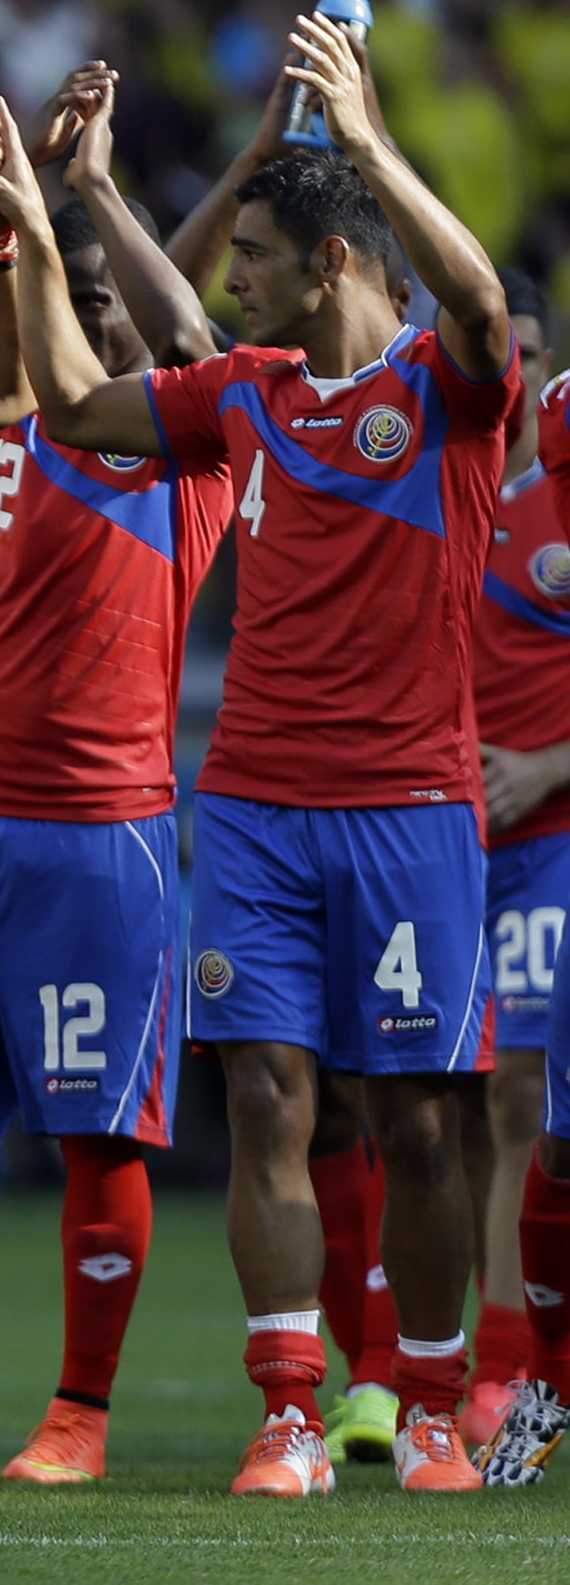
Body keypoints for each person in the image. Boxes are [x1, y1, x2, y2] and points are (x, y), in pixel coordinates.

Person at [0, 9, 515, 1497]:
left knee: (413, 1117)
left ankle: (415, 1399)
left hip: (410, 808)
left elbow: (475, 299)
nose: (235, 280)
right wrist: (51, 215)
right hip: (259, 811)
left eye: (258, 258)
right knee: (271, 1099)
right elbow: (87, 399)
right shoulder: (249, 400)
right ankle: (286, 1403)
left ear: (330, 264)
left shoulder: (442, 396)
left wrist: (371, 148)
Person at [0, 81, 231, 1488]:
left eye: (106, 303)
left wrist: (80, 202)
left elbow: (191, 332)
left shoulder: (193, 451)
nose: (88, 323)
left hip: (102, 835)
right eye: (69, 299)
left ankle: (80, 1416)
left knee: (97, 1124)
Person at [465, 274, 565, 1437]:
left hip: (546, 843)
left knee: (522, 1093)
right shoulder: (423, 485)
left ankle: (510, 1366)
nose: (519, 373)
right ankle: (403, 1366)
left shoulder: (563, 509)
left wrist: (545, 768)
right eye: (504, 354)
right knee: (410, 1100)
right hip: (427, 837)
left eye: (533, 354)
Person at [493, 365, 570, 1482]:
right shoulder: (512, 516)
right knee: (551, 1126)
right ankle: (542, 1376)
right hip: (505, 854)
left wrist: (550, 764)